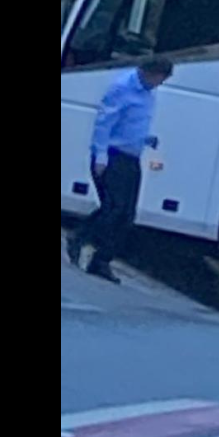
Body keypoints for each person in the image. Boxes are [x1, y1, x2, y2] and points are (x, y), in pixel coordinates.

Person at [65, 57, 174, 283]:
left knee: (126, 214)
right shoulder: (122, 88)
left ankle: (100, 258)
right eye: (159, 79)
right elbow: (104, 123)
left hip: (132, 156)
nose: (159, 85)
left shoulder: (147, 93)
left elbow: (132, 123)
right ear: (150, 73)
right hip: (113, 155)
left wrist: (145, 140)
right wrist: (100, 155)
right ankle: (82, 239)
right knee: (114, 208)